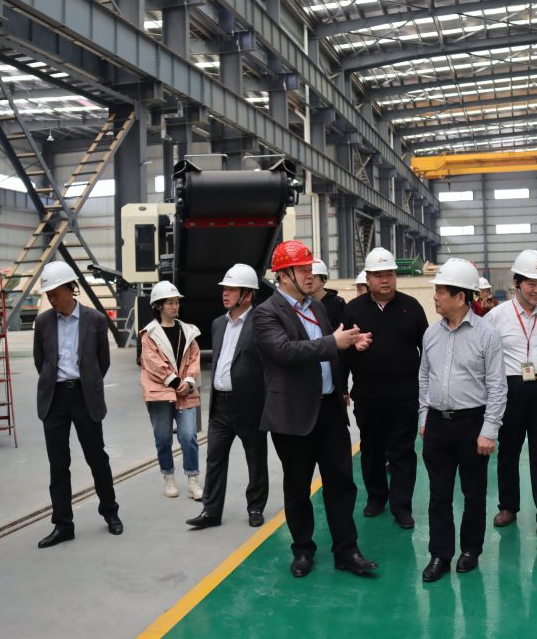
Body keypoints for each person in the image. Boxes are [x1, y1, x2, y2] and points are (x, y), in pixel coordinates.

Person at [252, 239, 378, 578]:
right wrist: (333, 342)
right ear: (283, 275)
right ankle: (303, 550)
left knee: (341, 483)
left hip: (330, 411)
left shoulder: (318, 308)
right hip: (293, 416)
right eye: (303, 269)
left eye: (311, 268)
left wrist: (349, 345)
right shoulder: (266, 313)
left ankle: (346, 551)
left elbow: (325, 350)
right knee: (297, 487)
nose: (310, 274)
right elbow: (286, 351)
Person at [419, 259, 507, 582]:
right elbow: (424, 378)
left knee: (474, 493)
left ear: (460, 297)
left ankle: (470, 550)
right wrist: (424, 416)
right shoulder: (431, 333)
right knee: (438, 494)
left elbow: (497, 386)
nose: (435, 296)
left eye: (441, 291)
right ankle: (439, 555)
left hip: (473, 424)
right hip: (437, 425)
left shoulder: (487, 334)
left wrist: (489, 430)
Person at [33, 261, 122, 548]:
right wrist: (55, 383)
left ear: (70, 288)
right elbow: (41, 362)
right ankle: (63, 524)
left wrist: (88, 383)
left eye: (55, 293)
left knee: (97, 458)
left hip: (84, 397)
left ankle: (110, 512)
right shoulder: (43, 323)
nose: (51, 299)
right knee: (58, 465)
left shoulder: (95, 320)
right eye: (48, 295)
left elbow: (102, 362)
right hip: (54, 399)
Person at [341, 247, 429, 528]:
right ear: (368, 278)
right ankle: (376, 498)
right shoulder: (353, 310)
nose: (385, 280)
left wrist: (425, 389)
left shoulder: (411, 307)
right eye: (378, 275)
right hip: (368, 396)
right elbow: (341, 350)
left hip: (404, 397)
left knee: (402, 452)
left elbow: (427, 350)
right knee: (371, 450)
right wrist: (342, 387)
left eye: (389, 274)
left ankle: (401, 506)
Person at [484, 249, 537, 541]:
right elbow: (486, 357)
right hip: (510, 390)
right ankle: (508, 507)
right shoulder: (496, 316)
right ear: (516, 283)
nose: (536, 289)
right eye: (530, 283)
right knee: (508, 451)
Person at [187, 264, 269, 530]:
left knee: (255, 459)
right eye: (225, 289)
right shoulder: (218, 324)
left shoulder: (261, 322)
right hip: (220, 406)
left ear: (248, 294)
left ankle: (255, 507)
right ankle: (211, 511)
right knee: (214, 458)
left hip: (250, 405)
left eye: (232, 289)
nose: (225, 293)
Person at [139, 280, 203, 500]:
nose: (175, 307)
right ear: (159, 305)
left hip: (186, 390)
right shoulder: (149, 334)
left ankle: (193, 480)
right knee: (163, 438)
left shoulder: (188, 331)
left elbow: (194, 357)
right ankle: (168, 476)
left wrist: (190, 381)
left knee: (189, 436)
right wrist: (176, 382)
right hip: (160, 392)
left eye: (177, 302)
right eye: (170, 303)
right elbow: (151, 362)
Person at [312, 258, 347, 328]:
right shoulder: (301, 302)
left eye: (313, 277)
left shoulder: (337, 302)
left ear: (323, 279)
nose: (309, 280)